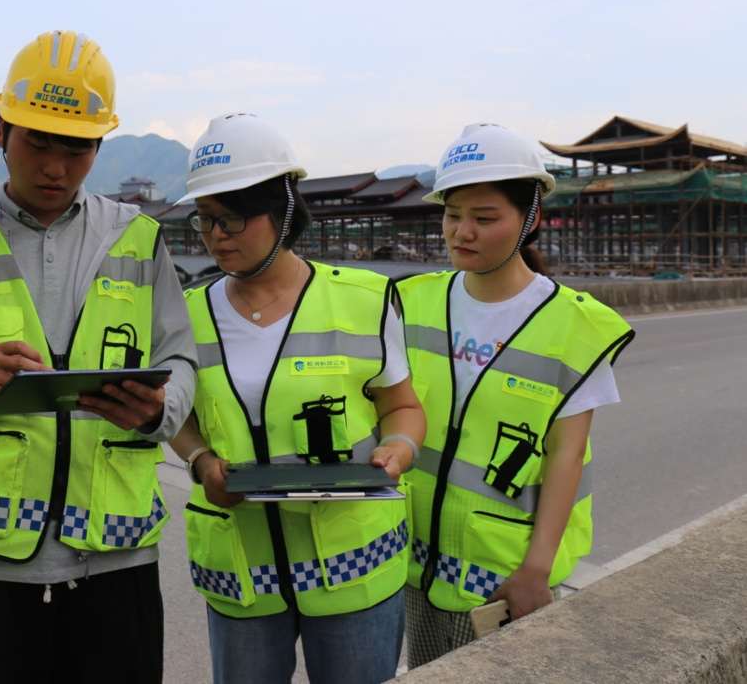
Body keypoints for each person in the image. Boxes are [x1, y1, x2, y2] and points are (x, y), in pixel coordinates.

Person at [0, 30, 198, 683]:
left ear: (98, 147)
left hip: (115, 569)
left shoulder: (140, 242)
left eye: (77, 147)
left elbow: (180, 359)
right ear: (2, 132)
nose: (55, 166)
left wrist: (157, 411)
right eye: (38, 141)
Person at [168, 113, 426, 684]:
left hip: (353, 572)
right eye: (205, 221)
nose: (217, 237)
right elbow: (178, 418)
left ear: (282, 209)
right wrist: (201, 462)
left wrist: (398, 451)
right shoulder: (187, 314)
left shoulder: (365, 299)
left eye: (232, 219)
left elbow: (402, 407)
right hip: (242, 573)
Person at [398, 123, 634, 666]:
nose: (462, 232)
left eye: (484, 219)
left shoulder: (575, 326)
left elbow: (566, 456)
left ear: (530, 221)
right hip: (414, 564)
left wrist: (536, 569)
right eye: (453, 215)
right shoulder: (412, 303)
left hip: (502, 578)